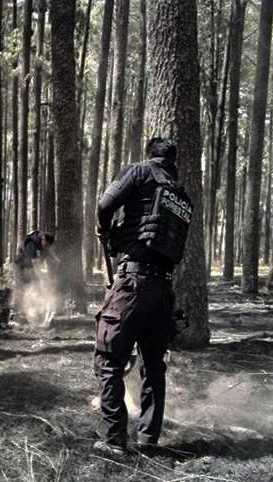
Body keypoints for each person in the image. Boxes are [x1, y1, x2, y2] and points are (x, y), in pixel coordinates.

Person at [92, 137, 193, 456]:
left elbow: (105, 205)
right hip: (163, 290)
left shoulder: (138, 172)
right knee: (153, 366)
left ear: (150, 154)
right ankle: (148, 439)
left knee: (108, 360)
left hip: (133, 283)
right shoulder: (181, 196)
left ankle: (114, 440)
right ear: (173, 161)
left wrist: (104, 230)